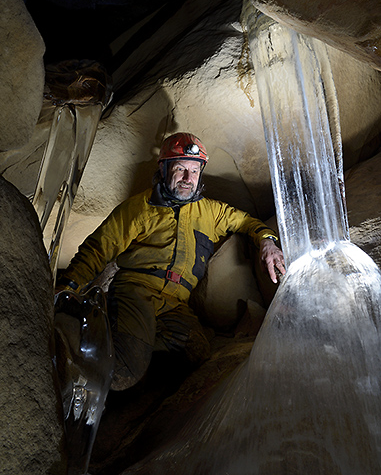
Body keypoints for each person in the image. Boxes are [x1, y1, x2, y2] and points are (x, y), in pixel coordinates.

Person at [57, 132, 285, 391]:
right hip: (137, 292)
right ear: (164, 169)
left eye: (194, 171)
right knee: (123, 374)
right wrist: (68, 287)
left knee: (197, 352)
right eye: (180, 169)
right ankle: (89, 347)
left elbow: (246, 221)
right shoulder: (139, 208)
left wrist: (267, 242)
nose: (188, 179)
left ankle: (133, 344)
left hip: (175, 303)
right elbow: (98, 248)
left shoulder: (210, 212)